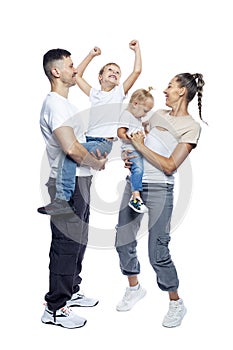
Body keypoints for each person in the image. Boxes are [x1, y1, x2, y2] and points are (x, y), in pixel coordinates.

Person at [115, 73, 205, 328]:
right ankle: (134, 288)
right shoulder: (155, 116)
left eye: (170, 86)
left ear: (182, 92)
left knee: (158, 252)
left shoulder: (191, 127)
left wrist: (140, 147)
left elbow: (169, 165)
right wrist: (131, 156)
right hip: (135, 185)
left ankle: (176, 302)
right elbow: (136, 141)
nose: (165, 91)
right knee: (122, 240)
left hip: (160, 189)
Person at [39, 48, 107, 329]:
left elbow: (82, 145)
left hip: (82, 181)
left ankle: (72, 291)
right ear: (56, 72)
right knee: (66, 245)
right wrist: (98, 162)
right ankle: (55, 308)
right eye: (70, 65)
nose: (75, 70)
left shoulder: (67, 105)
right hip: (66, 186)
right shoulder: (54, 104)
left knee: (79, 242)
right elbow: (72, 148)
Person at [38, 40, 142, 215]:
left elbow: (137, 71)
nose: (115, 73)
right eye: (110, 69)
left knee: (67, 156)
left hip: (103, 142)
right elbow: (77, 76)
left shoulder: (118, 93)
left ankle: (62, 200)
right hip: (90, 140)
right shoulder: (95, 94)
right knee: (70, 154)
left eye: (118, 72)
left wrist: (137, 50)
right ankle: (63, 199)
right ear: (100, 77)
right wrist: (91, 55)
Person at [117, 87, 154, 214]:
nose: (145, 114)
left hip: (137, 149)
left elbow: (137, 126)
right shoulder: (126, 114)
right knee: (138, 170)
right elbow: (120, 132)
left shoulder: (136, 118)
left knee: (138, 171)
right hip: (131, 150)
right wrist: (132, 139)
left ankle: (136, 196)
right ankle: (136, 197)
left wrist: (144, 127)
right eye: (145, 111)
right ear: (135, 104)